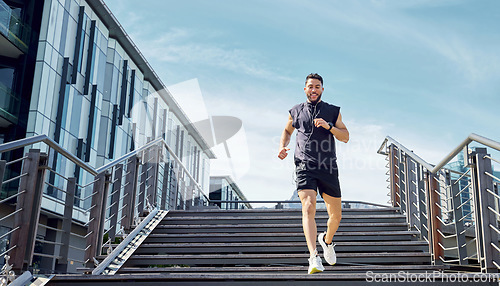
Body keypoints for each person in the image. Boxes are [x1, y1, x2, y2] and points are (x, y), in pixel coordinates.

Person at [278, 73, 349, 274]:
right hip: (304, 165)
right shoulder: (296, 111)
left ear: (322, 90)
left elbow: (345, 137)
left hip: (328, 167)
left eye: (317, 86)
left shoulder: (332, 111)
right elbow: (287, 131)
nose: (314, 90)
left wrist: (330, 127)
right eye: (310, 86)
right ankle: (313, 257)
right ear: (305, 89)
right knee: (308, 207)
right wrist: (282, 146)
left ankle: (327, 241)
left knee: (336, 216)